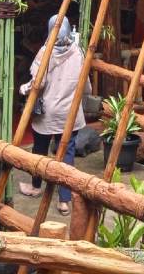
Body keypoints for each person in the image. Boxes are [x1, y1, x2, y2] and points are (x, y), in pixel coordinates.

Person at [18, 14, 89, 215]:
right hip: (70, 113)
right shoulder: (78, 51)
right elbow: (86, 86)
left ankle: (36, 186)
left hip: (48, 113)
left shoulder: (45, 52)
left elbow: (37, 83)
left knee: (40, 150)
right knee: (67, 154)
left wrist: (23, 89)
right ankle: (64, 201)